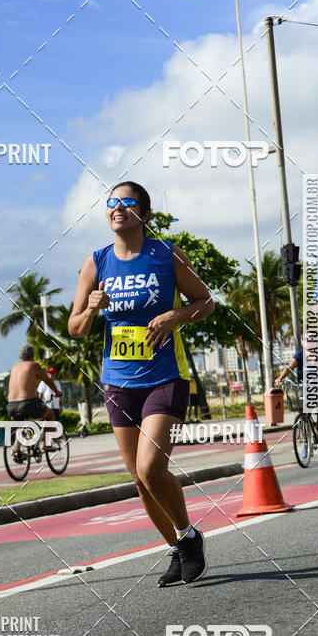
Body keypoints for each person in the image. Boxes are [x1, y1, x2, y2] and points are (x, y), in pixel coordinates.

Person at [68, 181, 214, 586]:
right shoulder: (96, 262)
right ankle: (180, 544)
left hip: (164, 375)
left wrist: (175, 316)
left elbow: (206, 302)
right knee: (137, 477)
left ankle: (188, 534)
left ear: (144, 214)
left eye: (126, 202)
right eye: (111, 203)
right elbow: (75, 328)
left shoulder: (166, 255)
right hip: (118, 381)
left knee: (151, 468)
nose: (117, 208)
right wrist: (91, 310)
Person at [7, 344, 58, 423]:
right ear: (33, 355)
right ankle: (47, 435)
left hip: (11, 405)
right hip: (28, 403)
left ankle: (18, 435)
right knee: (50, 414)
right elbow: (48, 381)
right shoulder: (33, 365)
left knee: (19, 428)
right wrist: (57, 392)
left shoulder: (14, 367)